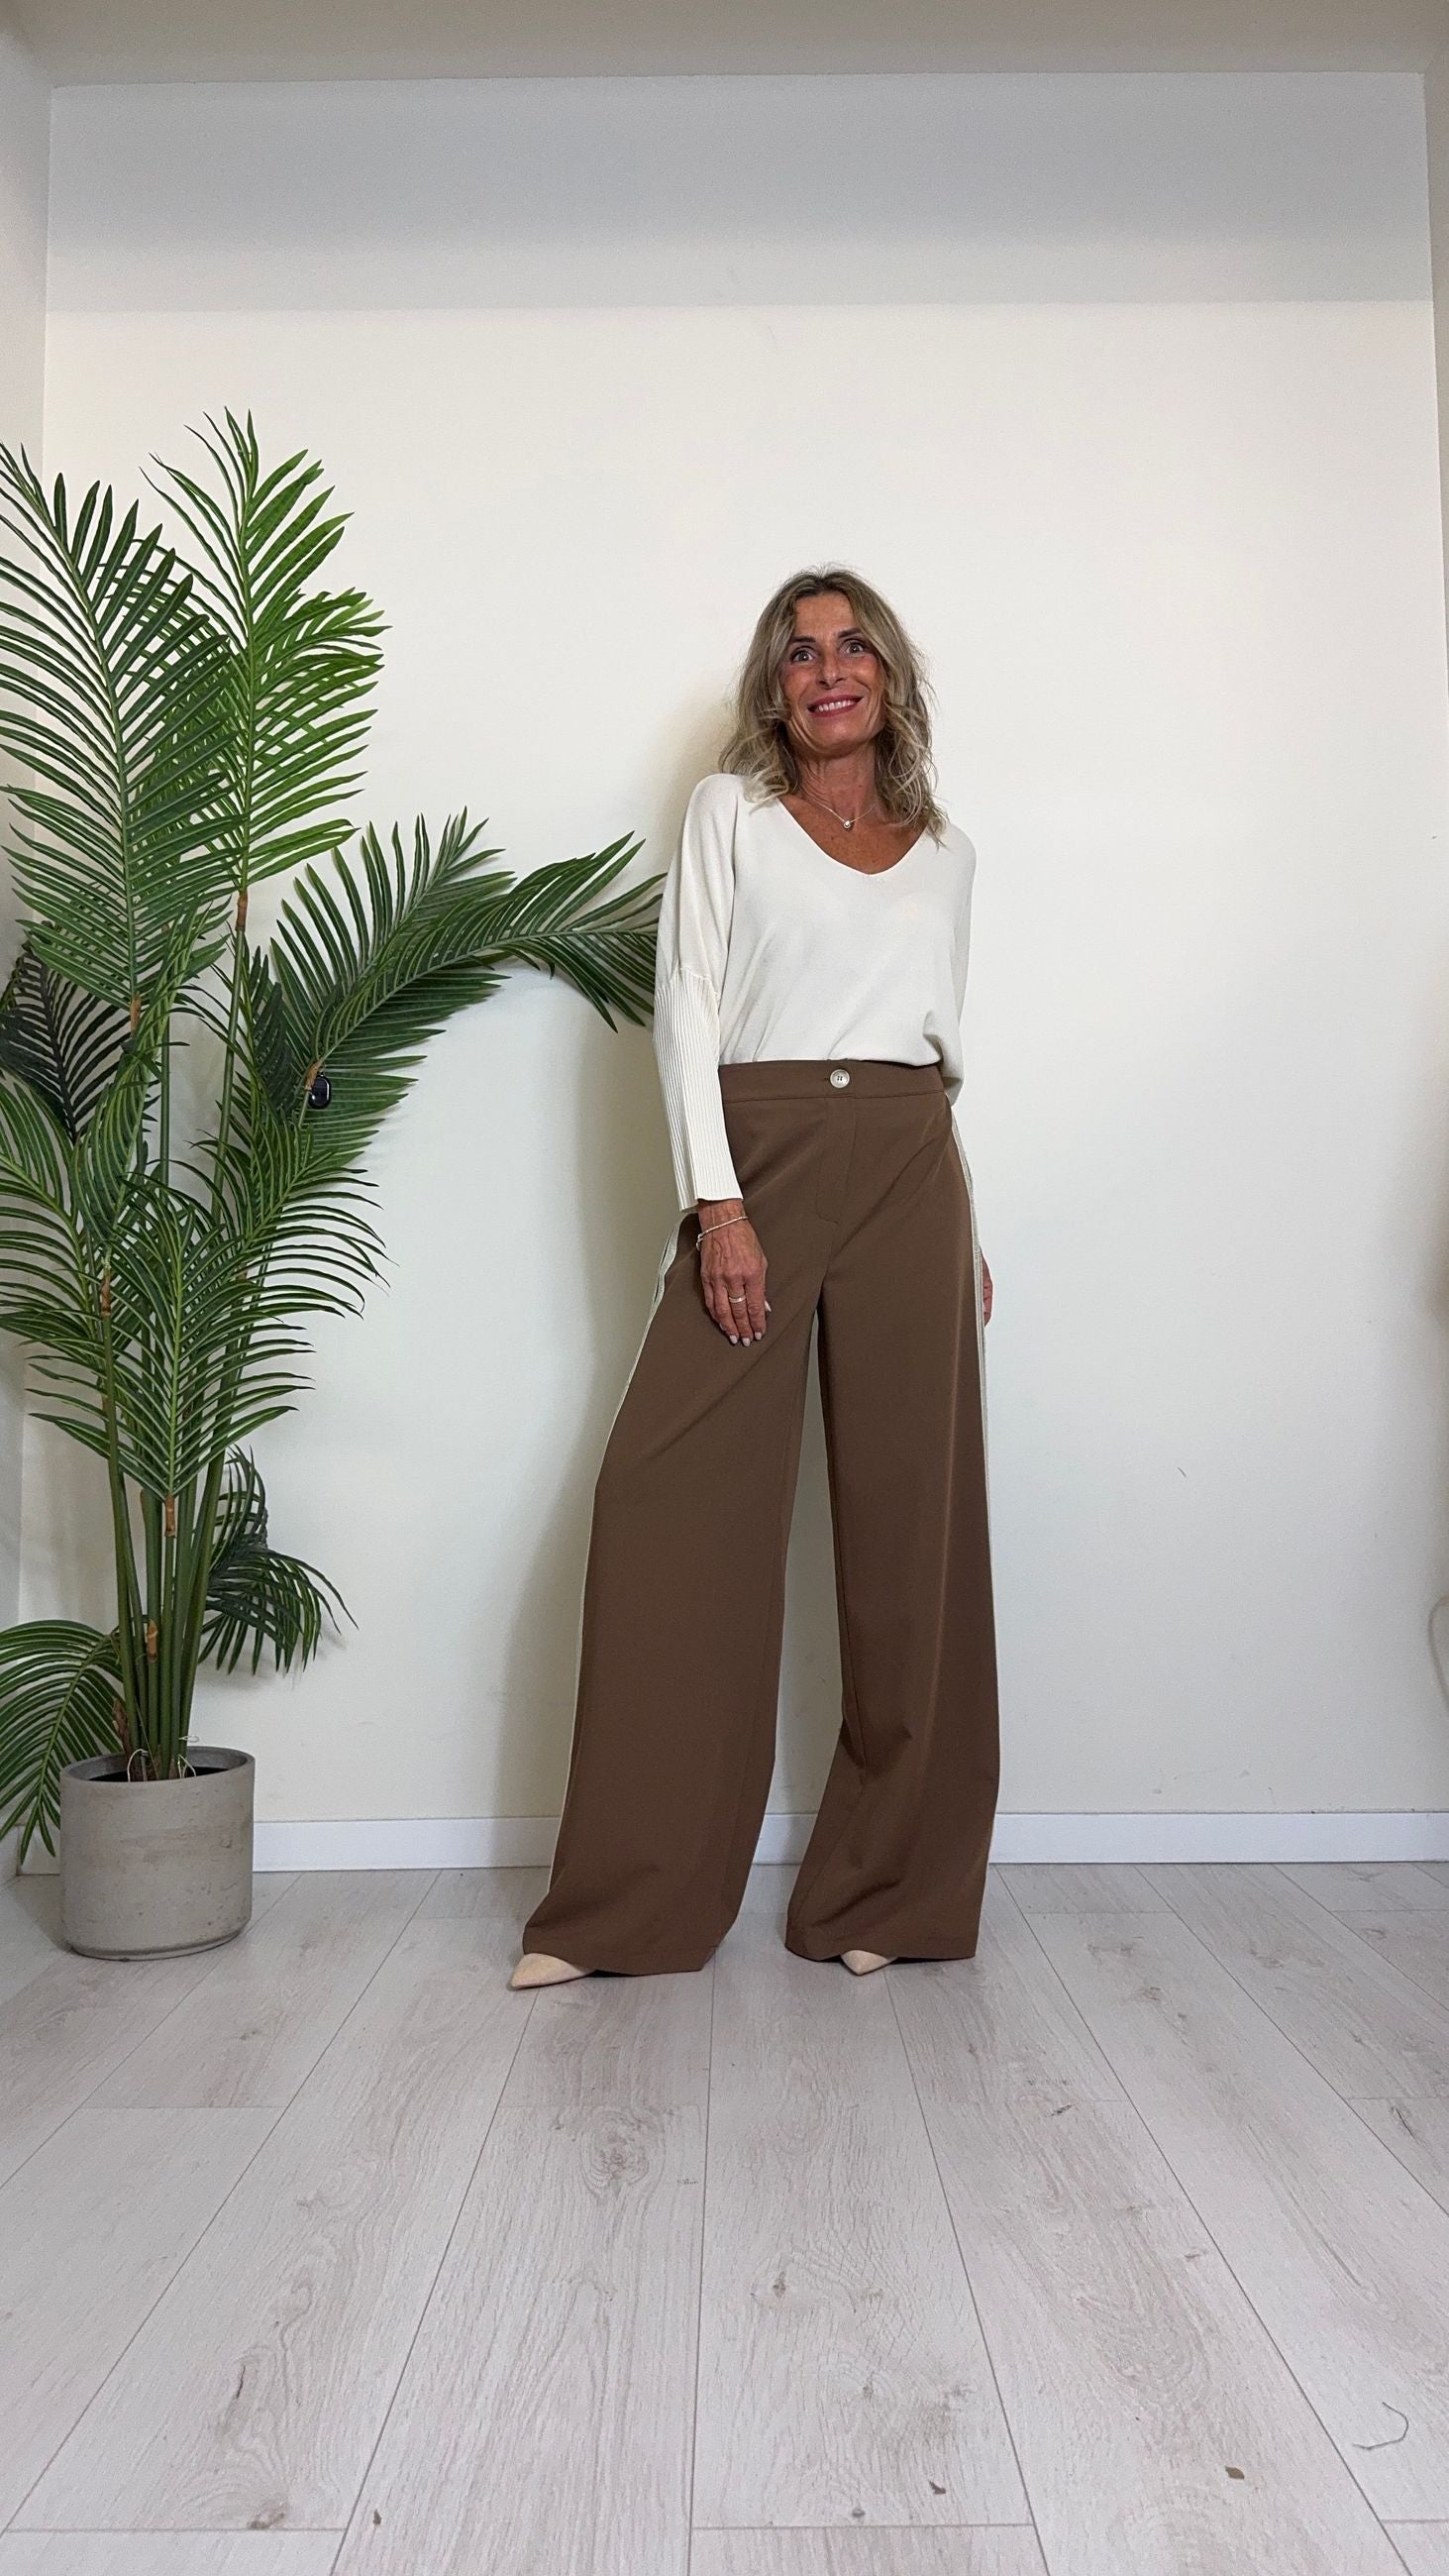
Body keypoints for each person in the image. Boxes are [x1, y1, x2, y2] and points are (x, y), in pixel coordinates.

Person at [511, 564, 998, 1987]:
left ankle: (888, 1896)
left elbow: (942, 1053)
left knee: (914, 1534)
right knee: (666, 1504)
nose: (828, 669)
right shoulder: (730, 814)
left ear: (890, 676)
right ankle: (630, 1908)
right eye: (799, 653)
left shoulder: (949, 851)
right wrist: (716, 1206)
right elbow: (688, 1011)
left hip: (911, 1168)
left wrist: (964, 1219)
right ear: (773, 691)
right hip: (762, 1157)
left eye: (852, 647)